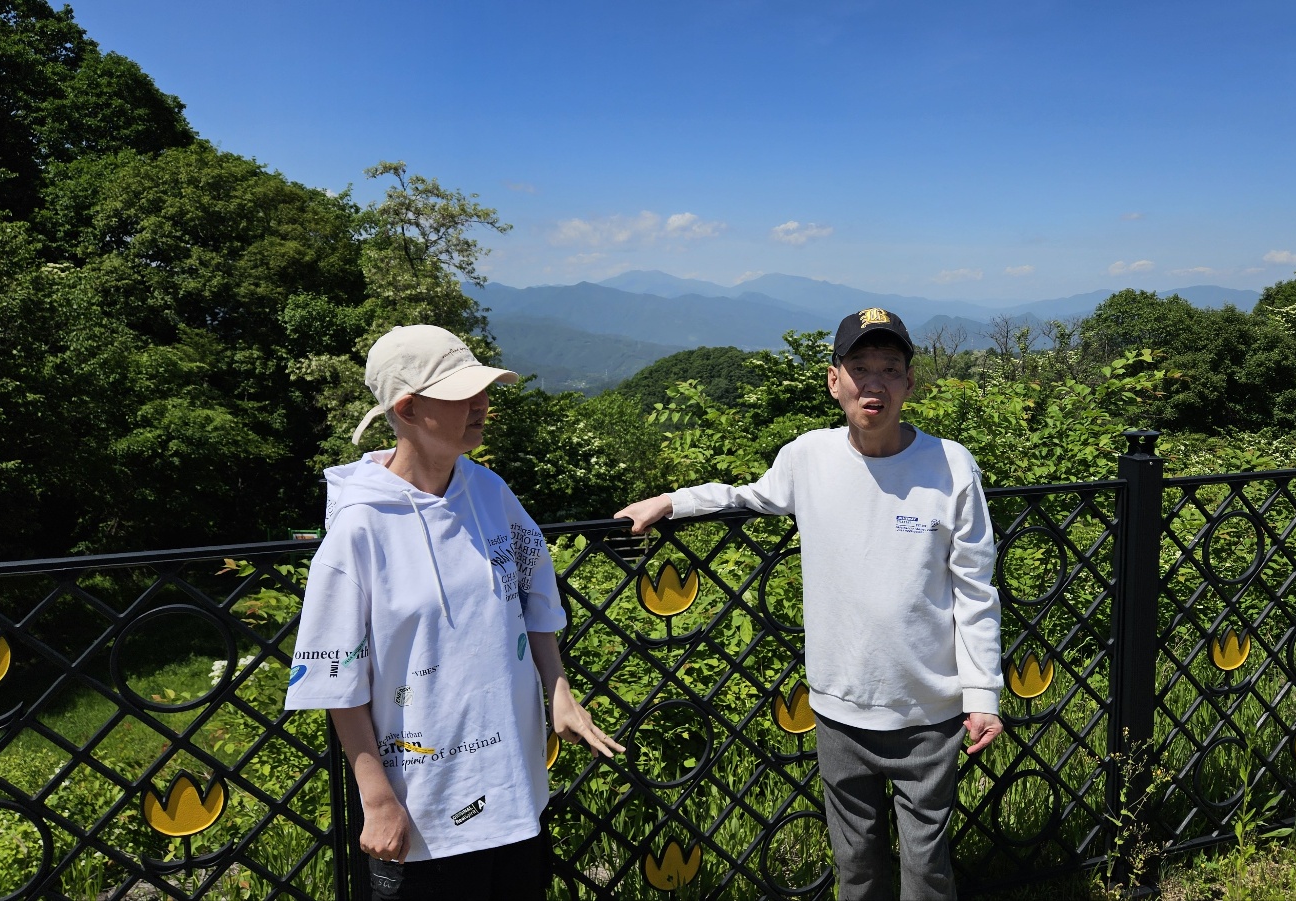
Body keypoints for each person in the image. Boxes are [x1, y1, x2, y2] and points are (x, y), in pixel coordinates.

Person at [615, 308, 1004, 900]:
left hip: (929, 709)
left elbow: (975, 587)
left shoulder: (951, 464)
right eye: (860, 367)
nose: (874, 383)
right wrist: (672, 501)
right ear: (834, 380)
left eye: (890, 369)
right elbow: (747, 495)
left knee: (927, 868)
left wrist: (982, 694)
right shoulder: (808, 457)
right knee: (856, 866)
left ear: (909, 383)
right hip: (837, 706)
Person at [285, 324, 623, 901]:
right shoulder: (359, 527)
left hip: (514, 788)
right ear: (408, 408)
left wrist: (559, 691)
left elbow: (534, 595)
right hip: (422, 808)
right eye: (462, 393)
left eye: (482, 389)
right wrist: (377, 799)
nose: (482, 403)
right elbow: (336, 676)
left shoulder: (490, 493)